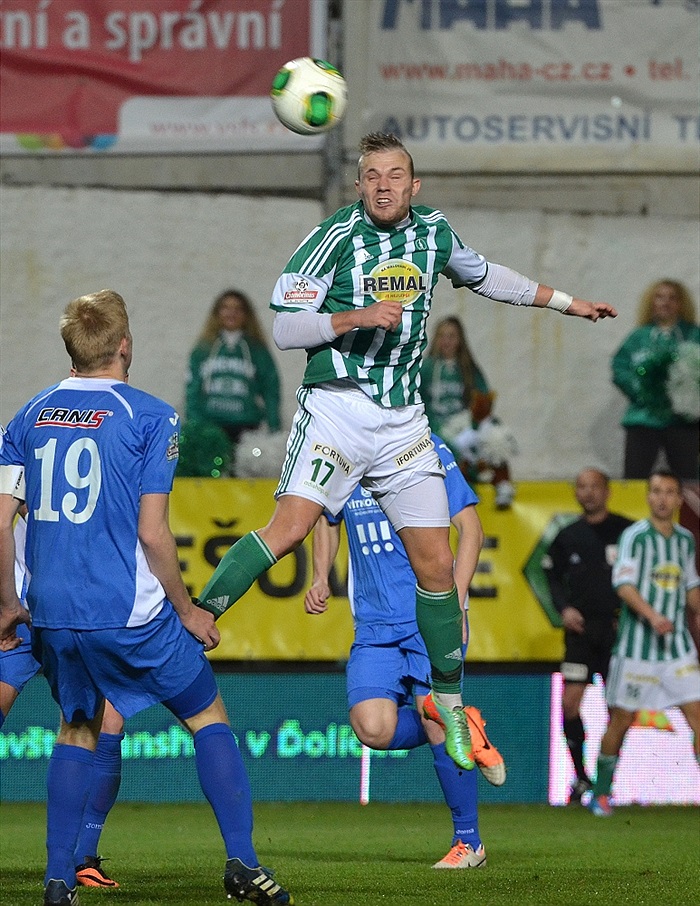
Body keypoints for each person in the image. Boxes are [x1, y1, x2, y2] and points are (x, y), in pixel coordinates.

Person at [195, 131, 617, 772]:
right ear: (359, 184)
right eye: (372, 175)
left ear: (413, 186)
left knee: (438, 569)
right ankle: (200, 616)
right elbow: (283, 326)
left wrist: (567, 303)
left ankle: (449, 705)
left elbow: (487, 278)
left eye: (396, 175)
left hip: (402, 423)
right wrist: (353, 317)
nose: (384, 185)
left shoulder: (435, 234)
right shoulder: (332, 238)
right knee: (289, 528)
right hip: (337, 409)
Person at [0, 290, 293, 906]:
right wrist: (187, 610)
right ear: (124, 345)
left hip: (53, 615)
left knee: (76, 730)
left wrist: (8, 602)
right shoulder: (151, 417)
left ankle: (58, 880)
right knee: (206, 716)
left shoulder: (26, 417)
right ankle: (242, 864)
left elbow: (1, 521)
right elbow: (152, 532)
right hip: (130, 614)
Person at [305, 432, 505, 869]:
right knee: (372, 728)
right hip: (374, 627)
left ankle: (469, 842)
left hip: (427, 617)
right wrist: (321, 576)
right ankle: (461, 724)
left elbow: (470, 527)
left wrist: (457, 601)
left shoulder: (425, 446)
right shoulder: (342, 451)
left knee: (435, 724)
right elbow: (326, 517)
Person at [0, 465, 123, 890]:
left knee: (108, 723)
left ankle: (82, 857)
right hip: (17, 617)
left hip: (72, 614)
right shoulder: (17, 445)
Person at [588, 469, 700, 817]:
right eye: (656, 491)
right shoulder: (635, 537)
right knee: (620, 720)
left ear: (679, 499)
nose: (662, 498)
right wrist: (652, 616)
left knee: (699, 716)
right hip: (637, 649)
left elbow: (690, 589)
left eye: (669, 492)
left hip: (677, 649)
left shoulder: (685, 540)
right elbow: (623, 585)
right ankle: (601, 793)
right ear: (648, 497)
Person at [541, 469, 633, 805]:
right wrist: (563, 608)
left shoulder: (626, 531)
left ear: (607, 491)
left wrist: (630, 614)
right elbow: (549, 575)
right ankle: (581, 778)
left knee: (618, 710)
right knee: (569, 702)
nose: (588, 493)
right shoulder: (568, 536)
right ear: (576, 492)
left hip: (616, 632)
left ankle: (606, 785)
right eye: (582, 486)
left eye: (595, 487)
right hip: (580, 633)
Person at [182, 288, 282, 475]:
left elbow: (271, 388)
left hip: (247, 428)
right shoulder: (203, 350)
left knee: (244, 476)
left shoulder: (257, 350)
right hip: (210, 428)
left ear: (246, 315)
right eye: (225, 308)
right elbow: (192, 390)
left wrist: (273, 426)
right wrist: (196, 426)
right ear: (217, 313)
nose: (231, 313)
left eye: (237, 309)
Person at [422, 316, 517, 509]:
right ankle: (464, 490)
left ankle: (503, 485)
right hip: (438, 425)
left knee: (496, 438)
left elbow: (483, 398)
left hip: (466, 422)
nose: (447, 341)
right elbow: (419, 403)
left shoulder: (468, 368)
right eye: (442, 336)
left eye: (452, 336)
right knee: (451, 450)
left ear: (460, 340)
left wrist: (475, 426)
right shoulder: (426, 368)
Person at [611, 278, 699, 480]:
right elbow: (620, 367)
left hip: (683, 421)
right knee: (635, 479)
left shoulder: (694, 335)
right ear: (651, 302)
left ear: (681, 304)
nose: (665, 303)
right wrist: (640, 391)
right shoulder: (638, 337)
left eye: (672, 298)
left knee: (687, 482)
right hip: (643, 419)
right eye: (660, 297)